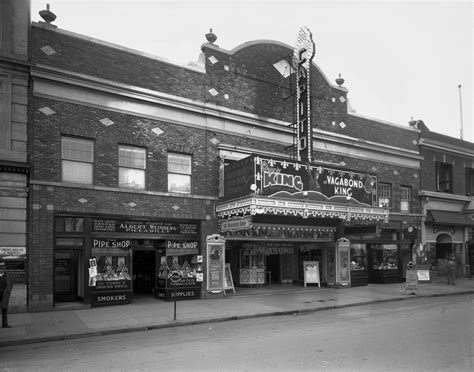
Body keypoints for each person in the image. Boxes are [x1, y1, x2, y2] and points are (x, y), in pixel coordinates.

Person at [0, 262, 13, 328]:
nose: (2, 269)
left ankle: (5, 324)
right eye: (0, 268)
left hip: (4, 296)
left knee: (4, 310)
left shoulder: (7, 275)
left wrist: (8, 291)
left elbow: (10, 284)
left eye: (3, 268)